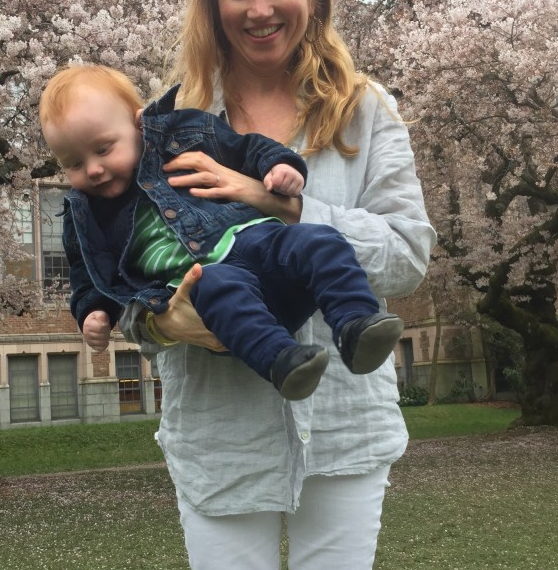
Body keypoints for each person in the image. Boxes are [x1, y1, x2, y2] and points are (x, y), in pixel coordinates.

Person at [120, 0, 436, 570]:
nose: (260, 7)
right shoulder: (160, 127)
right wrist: (168, 322)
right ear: (211, 1)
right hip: (218, 431)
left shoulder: (364, 113)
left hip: (344, 422)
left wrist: (285, 205)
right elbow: (130, 276)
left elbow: (408, 255)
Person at [39, 65, 404, 400]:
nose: (94, 170)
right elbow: (87, 274)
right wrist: (92, 312)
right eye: (74, 163)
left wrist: (279, 165)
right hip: (210, 284)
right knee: (215, 287)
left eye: (103, 149)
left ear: (139, 124)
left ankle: (356, 323)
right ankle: (283, 361)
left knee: (318, 240)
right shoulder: (84, 214)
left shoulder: (183, 133)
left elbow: (244, 147)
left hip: (257, 242)